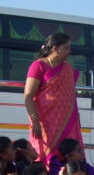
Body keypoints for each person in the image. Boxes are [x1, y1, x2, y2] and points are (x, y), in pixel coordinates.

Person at [25, 33, 83, 165]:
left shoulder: (68, 69)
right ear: (55, 49)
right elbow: (28, 95)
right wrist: (35, 121)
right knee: (45, 158)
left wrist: (77, 119)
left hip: (68, 122)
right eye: (66, 48)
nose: (70, 51)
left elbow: (71, 97)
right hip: (45, 122)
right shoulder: (38, 66)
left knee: (70, 156)